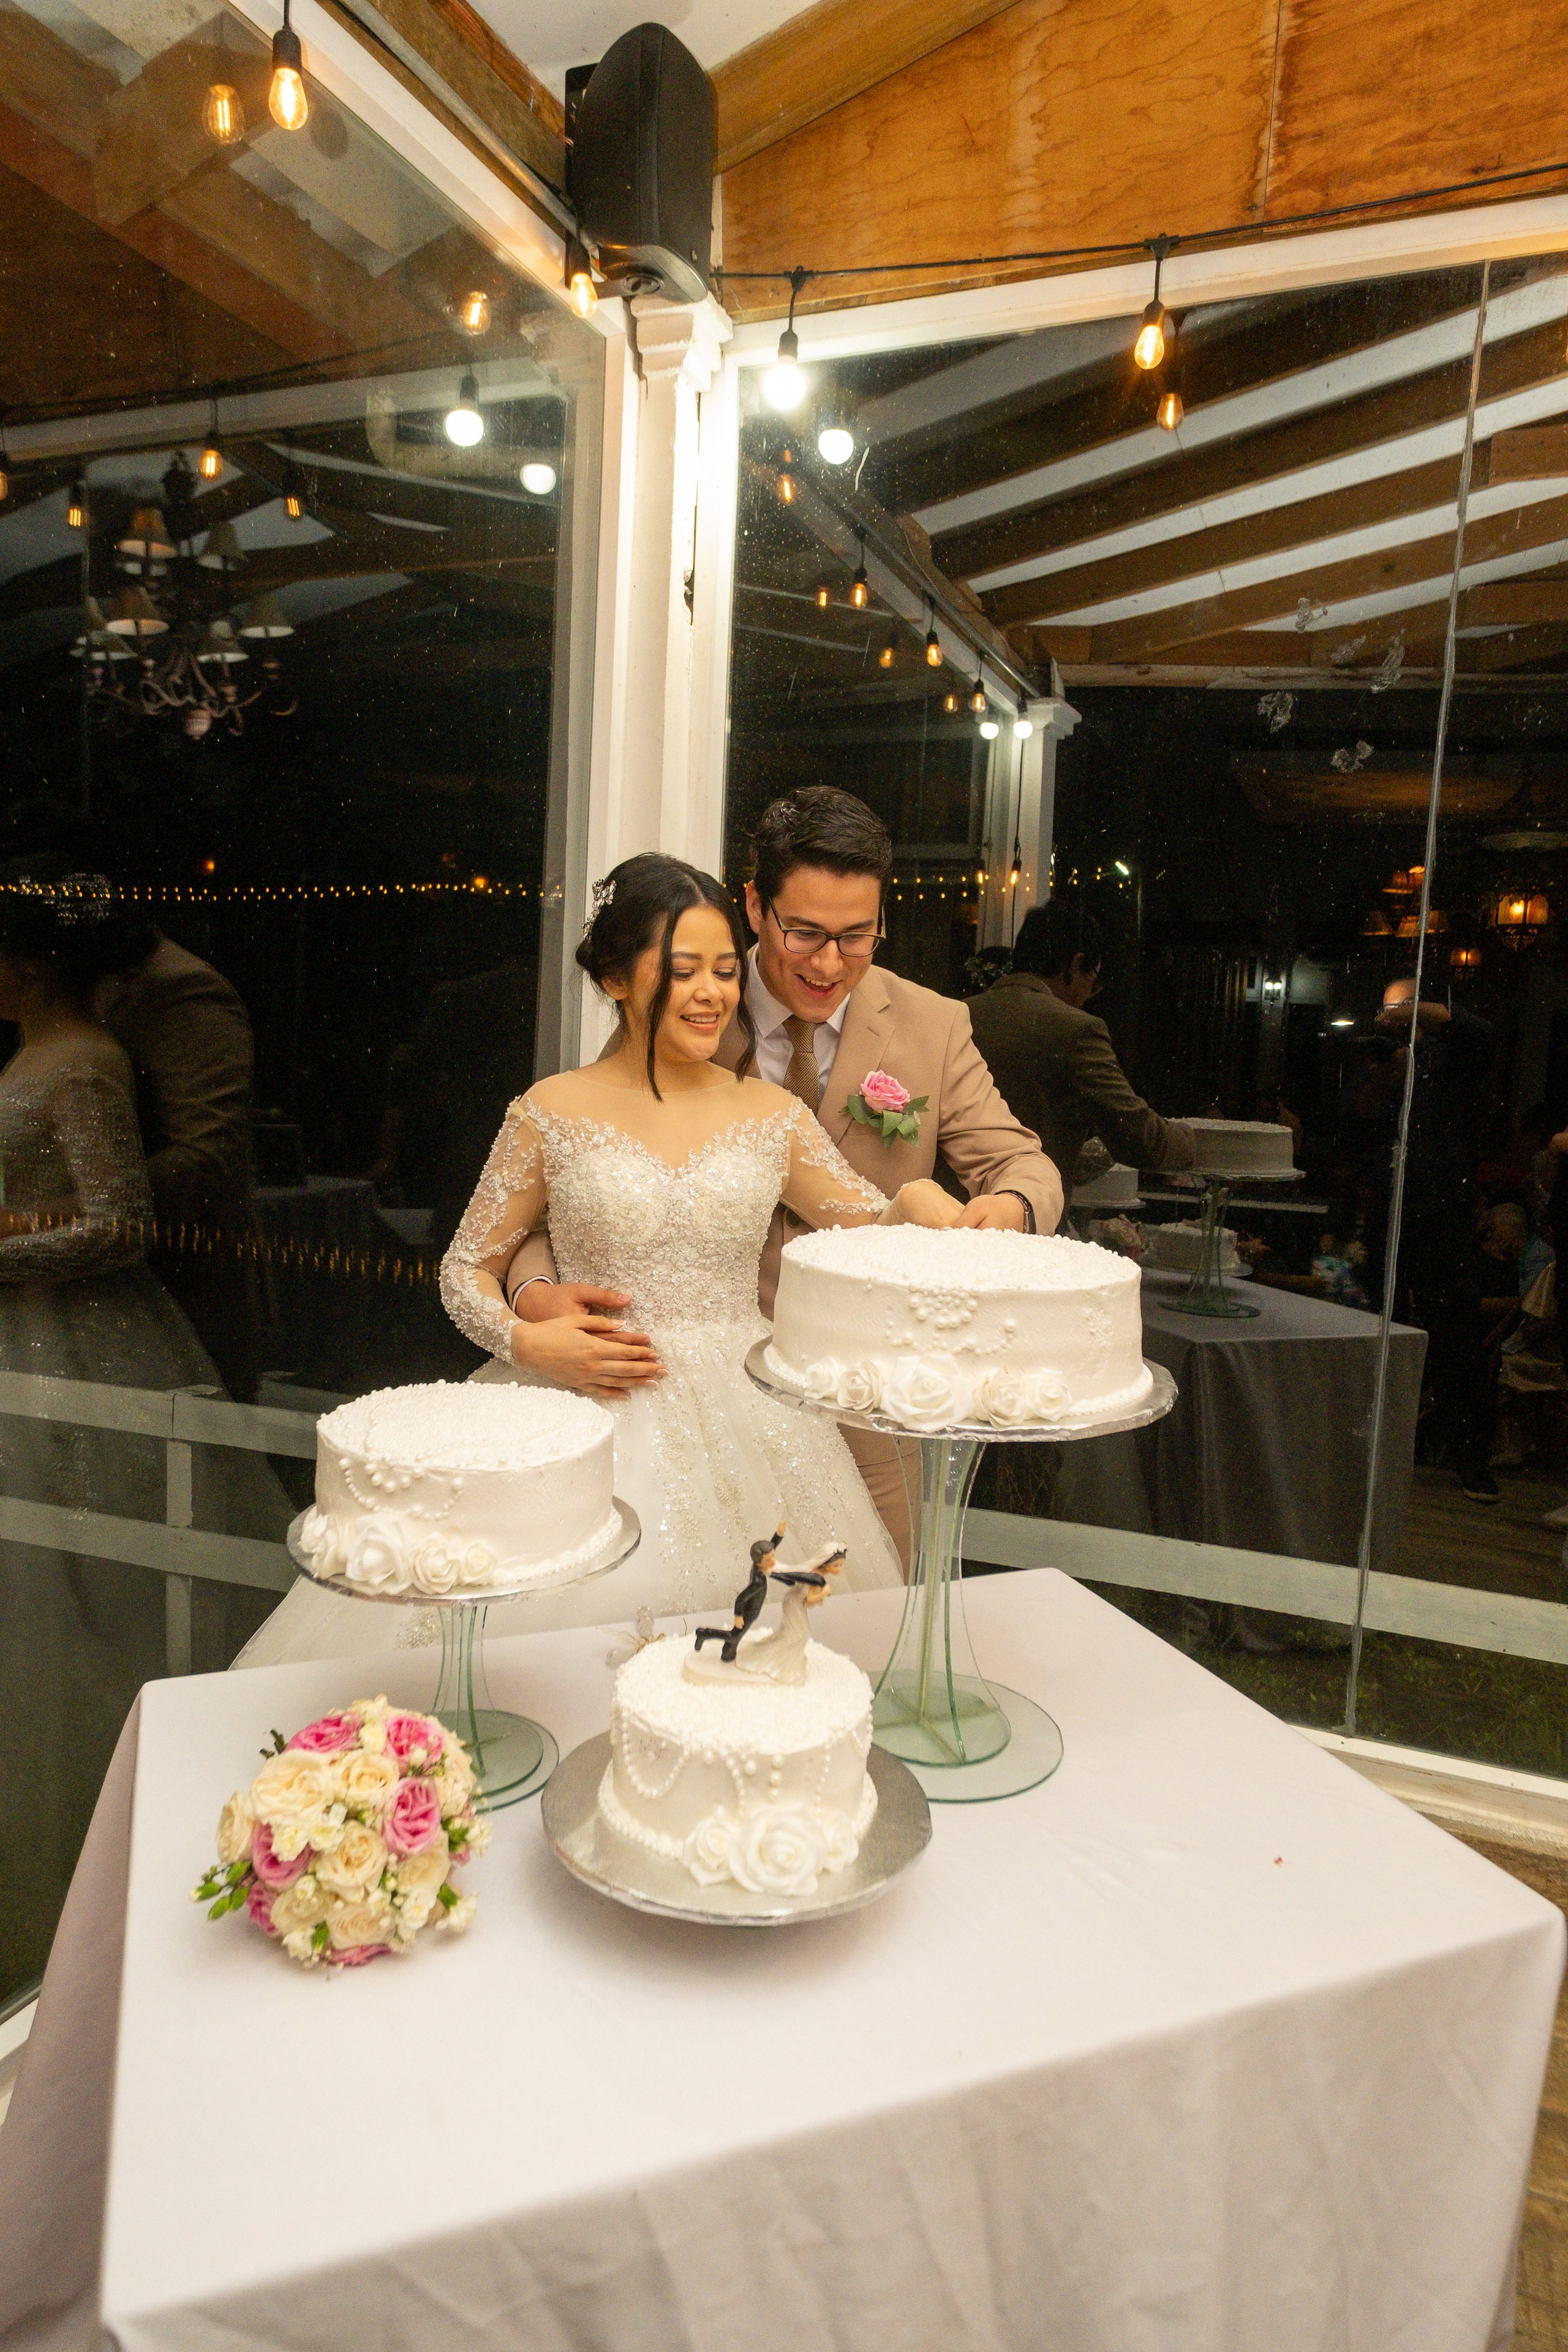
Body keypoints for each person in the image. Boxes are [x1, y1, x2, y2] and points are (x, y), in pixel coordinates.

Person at [233, 853, 963, 1665]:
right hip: (575, 1407)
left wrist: (917, 1203)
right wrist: (526, 1341)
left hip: (749, 1412)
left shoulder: (773, 1114)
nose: (712, 992)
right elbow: (465, 1267)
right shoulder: (552, 1110)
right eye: (683, 970)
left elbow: (868, 1222)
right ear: (617, 978)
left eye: (726, 970)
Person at [508, 788, 1063, 1562]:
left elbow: (1020, 1161)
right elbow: (574, 1180)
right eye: (804, 932)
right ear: (755, 908)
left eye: (856, 935)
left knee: (871, 1617)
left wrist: (1008, 1206)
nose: (829, 963)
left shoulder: (931, 1025)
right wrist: (535, 1297)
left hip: (870, 1393)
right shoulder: (685, 1009)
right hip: (706, 1399)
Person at [1360, 974, 1497, 1501]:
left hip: (1444, 1212)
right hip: (1389, 1213)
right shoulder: (1388, 1064)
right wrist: (1380, 1077)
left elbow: (1482, 1036)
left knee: (1456, 1335)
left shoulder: (1453, 1057)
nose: (1394, 1018)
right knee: (1380, 1325)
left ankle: (1469, 1459)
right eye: (1390, 1008)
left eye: (1406, 1007)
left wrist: (1416, 1014)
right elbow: (1362, 1123)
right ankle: (1381, 1446)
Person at [967, 901, 1195, 1212]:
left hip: (952, 1216)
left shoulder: (958, 1013)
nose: (1089, 994)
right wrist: (1193, 1141)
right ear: (1076, 964)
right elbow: (1138, 1138)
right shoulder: (1076, 1030)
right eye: (1094, 978)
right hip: (1026, 1220)